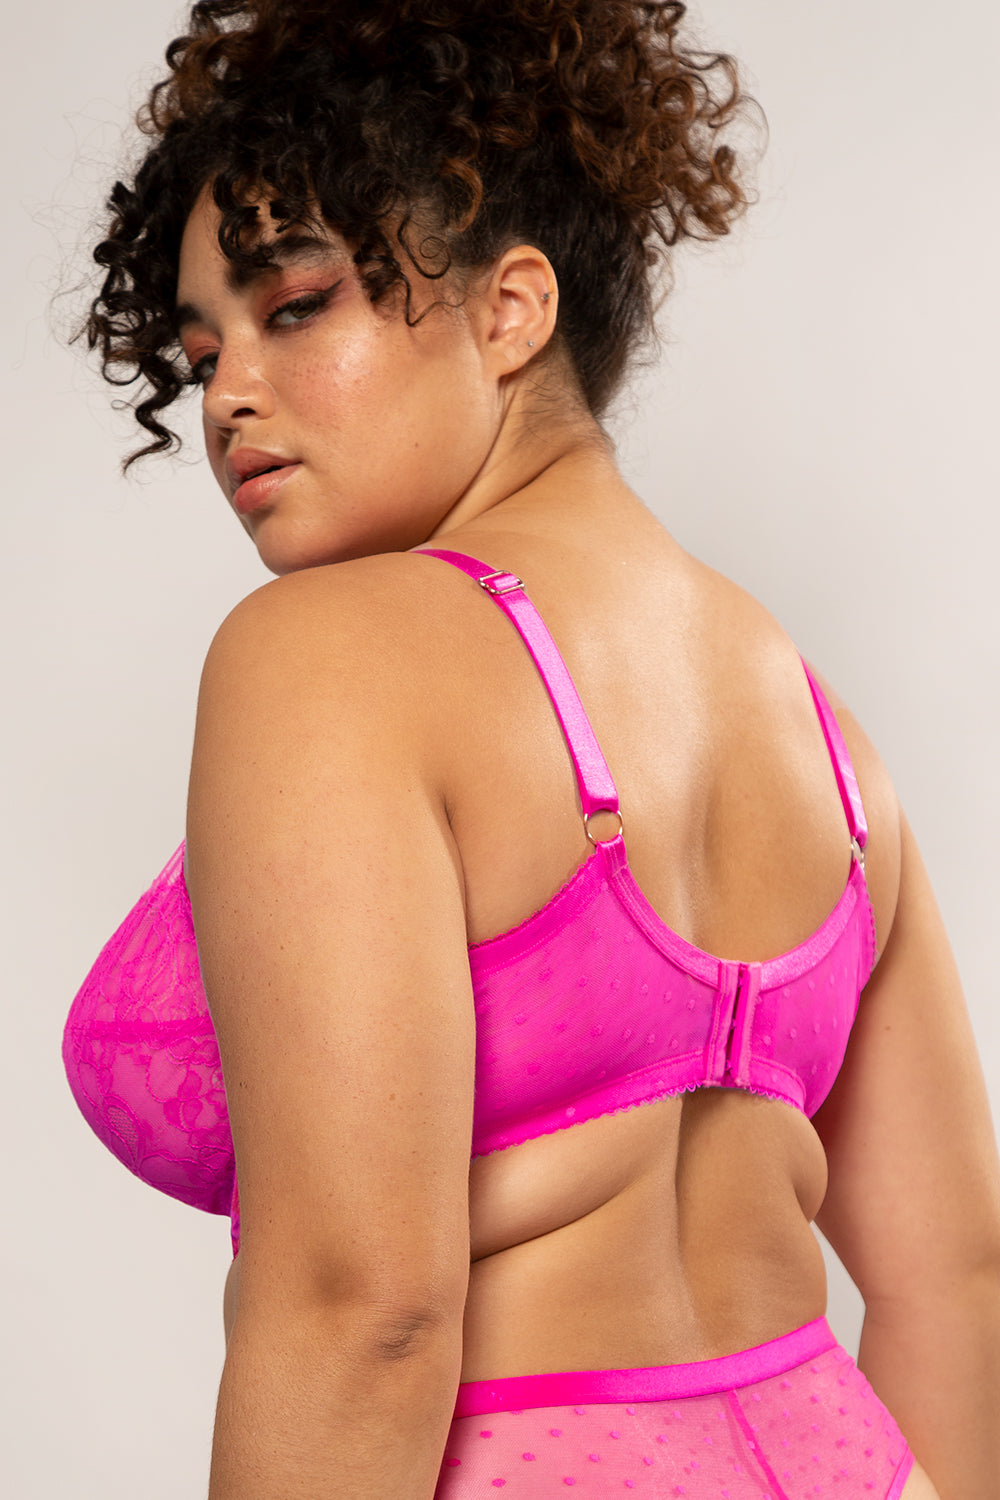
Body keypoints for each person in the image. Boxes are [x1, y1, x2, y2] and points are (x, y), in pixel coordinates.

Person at [62, 1, 1000, 1495]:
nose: (229, 391)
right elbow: (958, 1280)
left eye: (293, 305)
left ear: (511, 309)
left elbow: (361, 1314)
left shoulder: (328, 657)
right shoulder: (823, 737)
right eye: (200, 348)